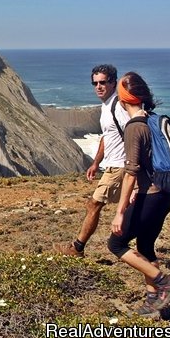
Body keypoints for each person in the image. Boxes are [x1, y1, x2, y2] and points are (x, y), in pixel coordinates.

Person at [107, 72, 170, 317]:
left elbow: (130, 172)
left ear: (122, 100)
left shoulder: (134, 128)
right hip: (163, 195)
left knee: (116, 243)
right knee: (146, 245)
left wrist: (119, 212)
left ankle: (163, 281)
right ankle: (154, 301)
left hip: (149, 197)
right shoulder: (151, 119)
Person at [55, 64, 130, 257]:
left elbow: (134, 133)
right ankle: (141, 246)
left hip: (121, 166)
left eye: (103, 82)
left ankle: (77, 248)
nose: (98, 87)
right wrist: (96, 163)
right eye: (95, 83)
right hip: (113, 165)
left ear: (114, 82)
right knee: (129, 207)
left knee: (94, 204)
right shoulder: (107, 107)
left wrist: (132, 165)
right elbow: (107, 137)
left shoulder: (118, 106)